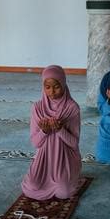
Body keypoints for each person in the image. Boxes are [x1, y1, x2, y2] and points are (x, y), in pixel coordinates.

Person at [22, 65, 81, 200]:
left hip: (66, 158)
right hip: (44, 159)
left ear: (64, 84)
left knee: (63, 193)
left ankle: (73, 175)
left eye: (56, 86)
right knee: (32, 188)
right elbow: (36, 143)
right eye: (47, 87)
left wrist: (60, 130)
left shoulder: (72, 108)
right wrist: (44, 131)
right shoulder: (37, 108)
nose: (52, 91)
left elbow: (74, 143)